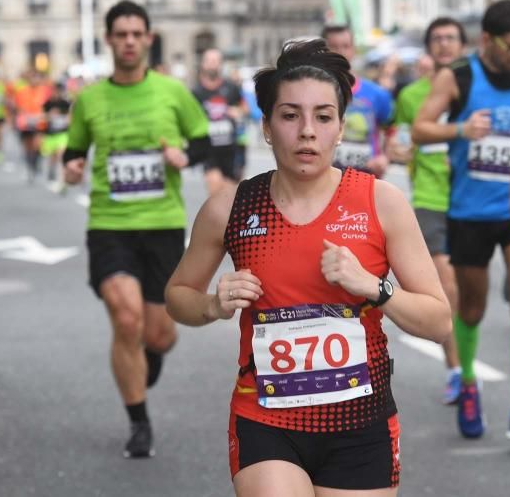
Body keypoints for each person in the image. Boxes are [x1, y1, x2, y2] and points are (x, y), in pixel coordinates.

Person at [165, 39, 451, 496]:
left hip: (360, 421)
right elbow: (178, 295)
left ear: (340, 129)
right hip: (266, 418)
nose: (307, 132)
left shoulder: (382, 202)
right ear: (266, 126)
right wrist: (214, 304)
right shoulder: (231, 208)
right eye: (290, 115)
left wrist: (375, 287)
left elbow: (439, 322)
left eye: (323, 117)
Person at [63, 0, 211, 459]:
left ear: (148, 39)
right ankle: (139, 422)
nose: (128, 41)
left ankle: (148, 359)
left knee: (158, 335)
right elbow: (74, 151)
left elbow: (203, 140)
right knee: (125, 318)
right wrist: (71, 167)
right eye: (120, 34)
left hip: (162, 225)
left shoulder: (172, 92)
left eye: (136, 34)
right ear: (109, 40)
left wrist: (185, 158)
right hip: (110, 224)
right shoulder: (89, 100)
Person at [412, 0, 510, 441]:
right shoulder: (459, 77)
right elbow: (420, 128)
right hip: (469, 211)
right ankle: (468, 382)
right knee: (472, 307)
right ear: (487, 40)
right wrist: (461, 130)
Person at [388, 17, 467, 405]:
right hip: (430, 197)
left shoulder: (476, 89)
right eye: (437, 39)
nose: (444, 45)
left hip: (473, 200)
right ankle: (455, 368)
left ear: (463, 45)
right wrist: (398, 150)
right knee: (446, 284)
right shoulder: (411, 96)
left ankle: (462, 354)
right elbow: (401, 142)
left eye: (451, 39)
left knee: (473, 293)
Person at [322, 25, 394, 176]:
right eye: (333, 47)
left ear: (354, 50)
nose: (340, 52)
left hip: (366, 179)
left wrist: (384, 158)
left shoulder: (377, 94)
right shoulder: (312, 93)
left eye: (346, 46)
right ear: (323, 52)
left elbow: (391, 130)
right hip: (323, 180)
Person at [193, 48, 247, 194]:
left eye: (216, 61)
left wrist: (238, 111)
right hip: (209, 149)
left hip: (232, 148)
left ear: (221, 64)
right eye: (209, 61)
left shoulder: (231, 87)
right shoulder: (196, 92)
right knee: (215, 190)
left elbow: (245, 108)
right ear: (203, 64)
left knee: (233, 196)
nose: (212, 65)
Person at [14, 72, 52, 183]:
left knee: (38, 145)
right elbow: (18, 107)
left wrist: (44, 115)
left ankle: (36, 164)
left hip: (39, 123)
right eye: (32, 78)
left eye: (36, 78)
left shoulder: (45, 91)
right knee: (28, 146)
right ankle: (30, 166)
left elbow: (49, 106)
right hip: (25, 123)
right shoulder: (22, 91)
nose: (34, 81)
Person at [41, 81, 72, 192]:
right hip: (50, 135)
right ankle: (51, 172)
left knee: (61, 156)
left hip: (62, 134)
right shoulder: (48, 103)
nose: (57, 93)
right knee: (52, 157)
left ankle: (62, 181)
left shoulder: (65, 103)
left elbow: (70, 118)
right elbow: (42, 118)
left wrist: (66, 119)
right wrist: (49, 116)